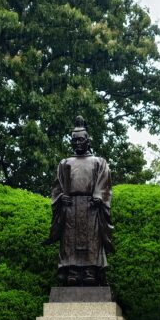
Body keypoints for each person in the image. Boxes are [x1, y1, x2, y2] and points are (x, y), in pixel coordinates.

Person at [45, 116, 113, 286]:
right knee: (69, 240)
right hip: (70, 206)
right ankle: (72, 272)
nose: (77, 143)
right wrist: (61, 197)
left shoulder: (99, 162)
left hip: (91, 207)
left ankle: (91, 271)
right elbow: (57, 187)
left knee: (92, 239)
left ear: (88, 141)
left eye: (80, 140)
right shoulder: (65, 163)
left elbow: (105, 184)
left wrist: (98, 196)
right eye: (74, 140)